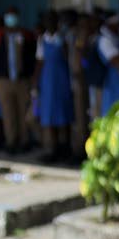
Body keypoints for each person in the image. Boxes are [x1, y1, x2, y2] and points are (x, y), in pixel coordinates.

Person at [0, 8, 35, 154]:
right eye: (9, 15)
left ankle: (25, 141)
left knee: (23, 111)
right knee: (7, 113)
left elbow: (32, 57)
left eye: (13, 15)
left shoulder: (25, 35)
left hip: (21, 80)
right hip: (3, 80)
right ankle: (11, 141)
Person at [33, 10, 73, 160]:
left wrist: (62, 44)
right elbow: (39, 61)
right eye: (46, 20)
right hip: (47, 81)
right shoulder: (42, 40)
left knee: (64, 114)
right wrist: (35, 81)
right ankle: (53, 149)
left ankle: (66, 148)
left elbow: (68, 57)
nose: (49, 23)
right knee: (49, 115)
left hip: (62, 79)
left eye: (52, 20)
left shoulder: (63, 38)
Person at [97, 13, 119, 114]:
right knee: (114, 110)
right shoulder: (104, 40)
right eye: (117, 24)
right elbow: (117, 61)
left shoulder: (116, 38)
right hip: (113, 82)